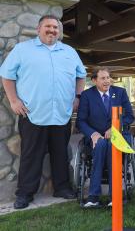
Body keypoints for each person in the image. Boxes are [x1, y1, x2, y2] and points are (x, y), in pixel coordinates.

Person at [0, 15, 86, 209]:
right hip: (32, 113)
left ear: (59, 31)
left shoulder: (69, 52)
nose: (52, 30)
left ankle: (62, 188)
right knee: (31, 155)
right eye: (48, 26)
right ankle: (25, 194)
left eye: (55, 27)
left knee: (61, 153)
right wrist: (14, 100)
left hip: (61, 114)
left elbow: (81, 75)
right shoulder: (23, 50)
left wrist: (77, 97)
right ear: (39, 28)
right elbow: (6, 75)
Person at [76, 67, 135, 207]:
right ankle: (93, 197)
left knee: (112, 145)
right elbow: (81, 121)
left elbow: (129, 116)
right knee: (102, 144)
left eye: (108, 77)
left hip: (117, 135)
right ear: (94, 80)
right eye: (103, 78)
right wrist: (93, 134)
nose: (107, 81)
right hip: (95, 138)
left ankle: (114, 196)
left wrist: (114, 129)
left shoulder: (120, 93)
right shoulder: (87, 95)